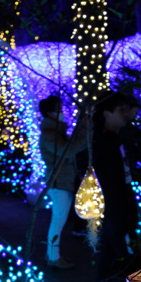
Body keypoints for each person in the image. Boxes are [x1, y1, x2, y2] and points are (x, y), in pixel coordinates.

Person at [92, 90, 140, 282]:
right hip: (115, 211)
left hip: (113, 210)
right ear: (107, 113)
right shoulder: (105, 143)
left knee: (106, 255)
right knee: (127, 258)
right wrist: (120, 217)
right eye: (121, 109)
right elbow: (111, 185)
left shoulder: (112, 140)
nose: (126, 113)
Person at [38, 95, 87, 268]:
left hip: (63, 181)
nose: (62, 113)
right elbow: (70, 150)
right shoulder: (50, 135)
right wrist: (83, 130)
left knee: (59, 219)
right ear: (50, 113)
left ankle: (53, 255)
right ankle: (53, 257)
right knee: (58, 220)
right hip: (59, 183)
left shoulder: (56, 133)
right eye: (59, 109)